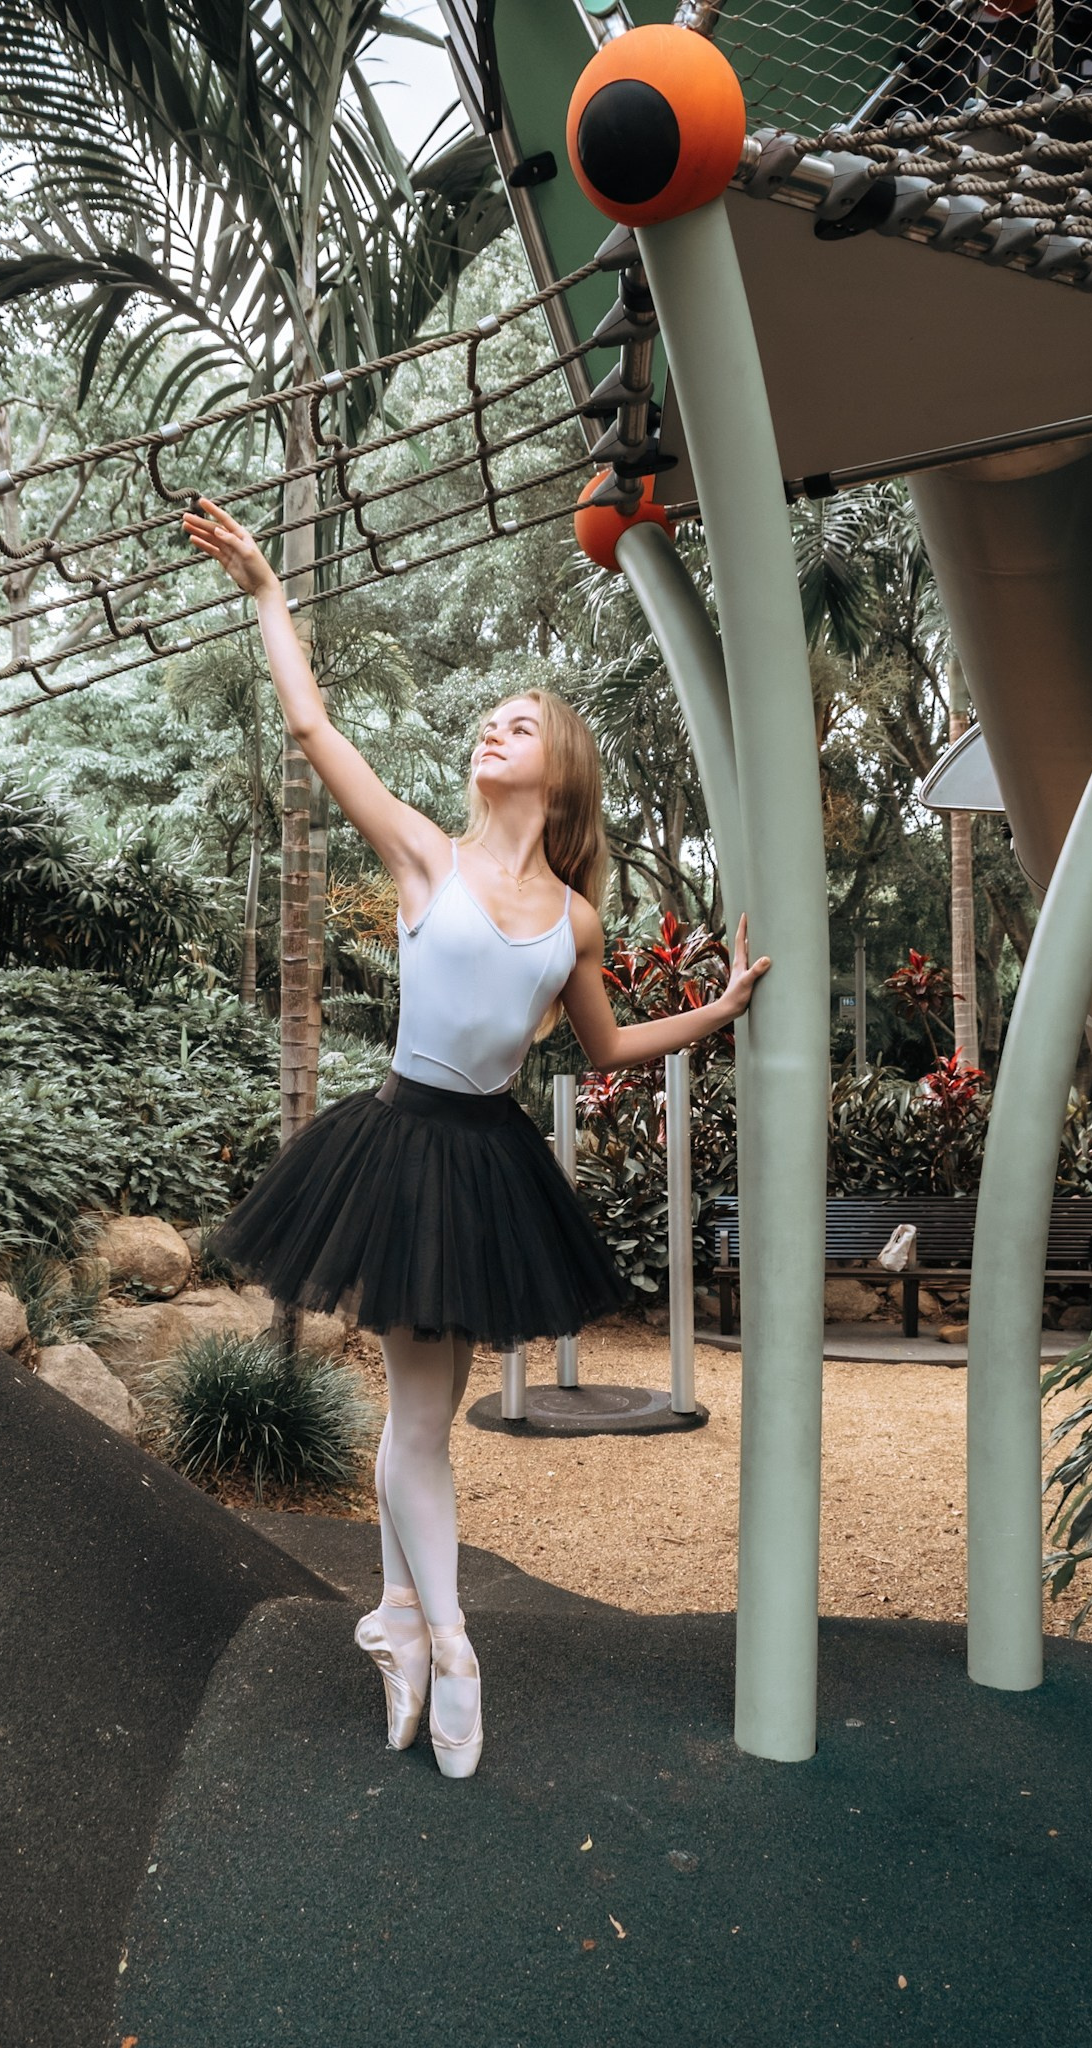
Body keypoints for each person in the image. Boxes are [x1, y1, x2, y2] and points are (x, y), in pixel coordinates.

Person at [182, 498, 770, 1780]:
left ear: (559, 772)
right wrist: (270, 594)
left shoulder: (575, 921)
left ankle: (398, 1618)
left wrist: (717, 1012)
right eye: (486, 722)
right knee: (416, 1418)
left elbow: (605, 1048)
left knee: (423, 1425)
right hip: (398, 1149)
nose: (490, 731)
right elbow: (311, 726)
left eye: (518, 723)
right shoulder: (424, 856)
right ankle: (450, 1640)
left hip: (488, 1165)